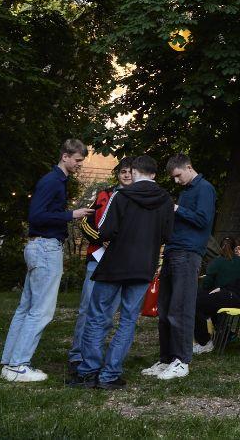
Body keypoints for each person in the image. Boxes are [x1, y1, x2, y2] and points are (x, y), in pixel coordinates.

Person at [71, 155, 173, 389]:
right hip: (143, 267)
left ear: (135, 172)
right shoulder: (166, 200)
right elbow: (168, 235)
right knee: (128, 321)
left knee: (97, 317)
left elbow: (104, 231)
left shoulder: (121, 195)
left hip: (114, 265)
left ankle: (88, 372)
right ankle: (110, 375)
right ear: (154, 175)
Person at [0, 139, 91, 383]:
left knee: (26, 308)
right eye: (78, 160)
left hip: (39, 247)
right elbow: (37, 216)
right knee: (41, 311)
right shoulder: (52, 181)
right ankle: (19, 365)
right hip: (46, 248)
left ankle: (10, 363)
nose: (79, 165)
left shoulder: (56, 181)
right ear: (65, 156)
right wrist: (72, 214)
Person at [67, 157, 133, 380]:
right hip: (97, 257)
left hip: (120, 261)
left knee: (108, 313)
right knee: (87, 308)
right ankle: (77, 356)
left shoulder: (138, 199)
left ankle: (95, 356)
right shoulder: (105, 194)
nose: (126, 175)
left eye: (130, 172)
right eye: (123, 171)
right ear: (118, 174)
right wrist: (102, 238)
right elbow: (87, 221)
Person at [152, 154, 215, 382]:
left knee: (181, 308)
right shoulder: (186, 190)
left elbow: (203, 220)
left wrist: (177, 209)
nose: (176, 181)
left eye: (178, 176)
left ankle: (182, 361)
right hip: (172, 251)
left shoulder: (205, 189)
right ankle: (166, 359)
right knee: (165, 308)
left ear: (188, 167)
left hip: (188, 253)